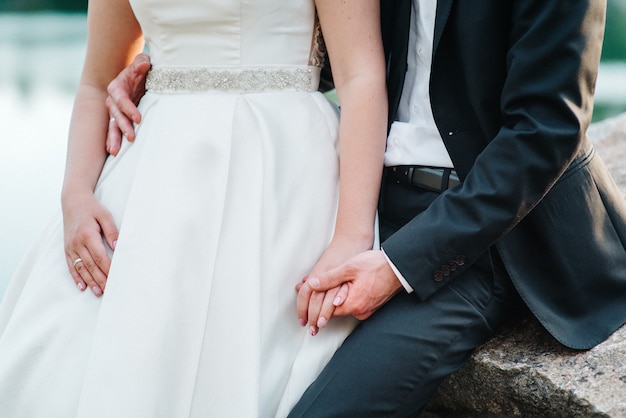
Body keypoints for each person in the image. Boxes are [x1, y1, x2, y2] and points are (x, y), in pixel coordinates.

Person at [104, 0, 626, 416]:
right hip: (377, 198)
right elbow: (334, 52)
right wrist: (172, 67)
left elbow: (544, 132)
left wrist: (398, 265)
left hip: (494, 233)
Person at [0, 1, 388, 417]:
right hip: (150, 172)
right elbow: (97, 80)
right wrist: (75, 194)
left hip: (281, 173)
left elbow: (360, 76)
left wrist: (352, 234)